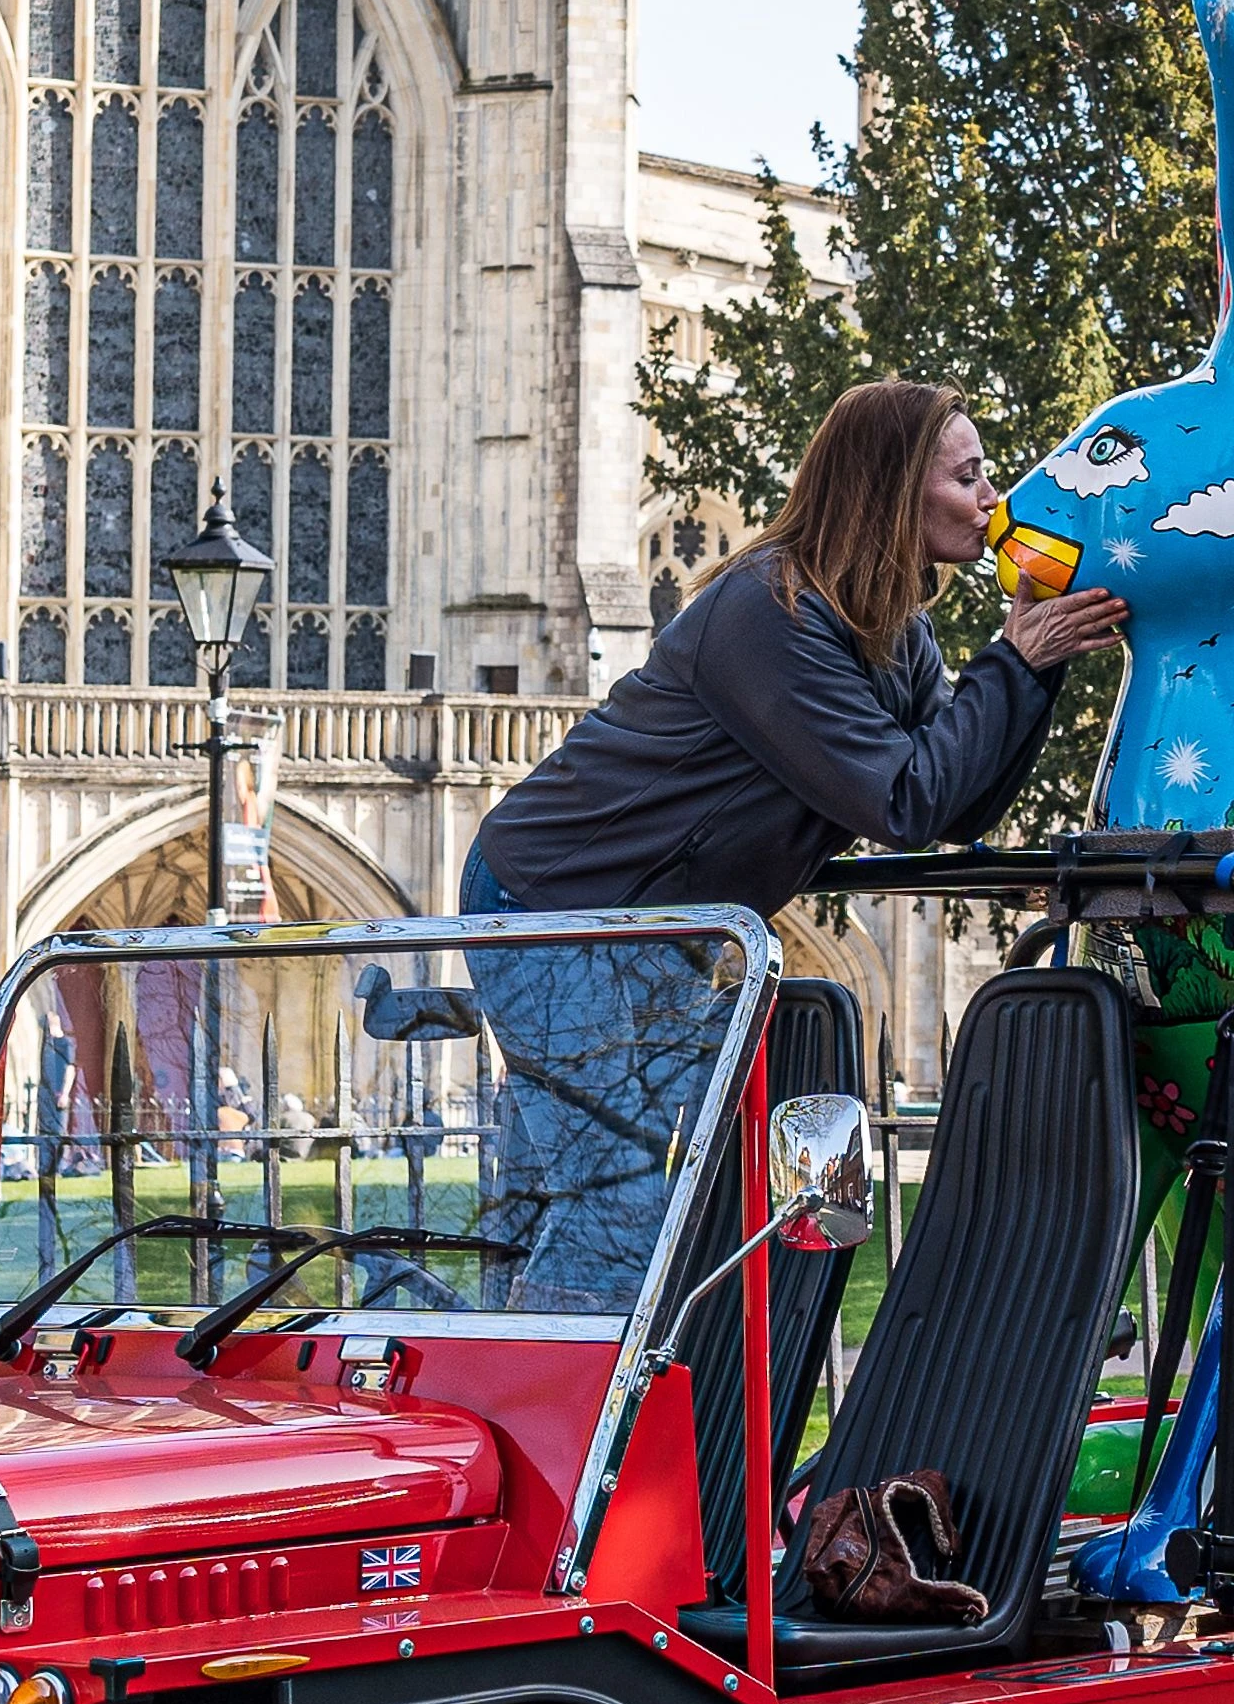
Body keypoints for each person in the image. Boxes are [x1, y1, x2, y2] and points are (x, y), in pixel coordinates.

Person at [456, 380, 1128, 1307]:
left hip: (644, 928)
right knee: (623, 1209)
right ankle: (576, 1443)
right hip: (557, 906)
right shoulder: (770, 612)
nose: (991, 499)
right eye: (969, 476)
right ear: (895, 487)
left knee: (567, 1201)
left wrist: (1031, 675)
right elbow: (902, 799)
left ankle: (494, 1402)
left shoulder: (895, 632)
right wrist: (1016, 663)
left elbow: (954, 803)